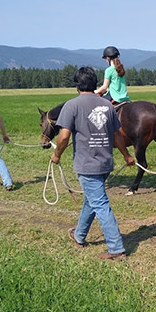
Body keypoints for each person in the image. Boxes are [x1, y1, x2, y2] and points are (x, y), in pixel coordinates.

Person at [52, 66, 132, 260]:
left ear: (77, 85)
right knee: (92, 200)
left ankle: (116, 248)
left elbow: (63, 137)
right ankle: (79, 235)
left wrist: (56, 155)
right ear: (95, 83)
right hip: (105, 162)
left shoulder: (71, 105)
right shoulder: (107, 106)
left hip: (87, 164)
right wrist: (126, 155)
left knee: (100, 203)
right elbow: (117, 136)